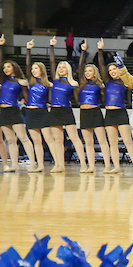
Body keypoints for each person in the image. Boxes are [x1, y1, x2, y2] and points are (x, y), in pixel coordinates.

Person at [46, 37, 88, 174]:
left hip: (66, 111)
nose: (61, 69)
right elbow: (52, 62)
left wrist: (83, 52)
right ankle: (59, 165)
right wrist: (51, 47)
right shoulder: (55, 80)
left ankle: (83, 164)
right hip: (54, 111)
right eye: (60, 67)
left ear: (68, 70)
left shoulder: (73, 83)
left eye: (64, 67)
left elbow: (81, 69)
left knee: (75, 138)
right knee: (57, 140)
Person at [0, 35, 37, 172]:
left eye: (9, 67)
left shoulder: (20, 81)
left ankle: (32, 163)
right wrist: (0, 46)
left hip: (14, 110)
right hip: (3, 111)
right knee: (10, 140)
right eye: (4, 67)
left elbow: (28, 67)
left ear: (14, 68)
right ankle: (13, 165)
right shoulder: (3, 80)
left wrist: (28, 51)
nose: (6, 69)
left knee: (23, 137)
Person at [75, 41, 111, 174]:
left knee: (102, 141)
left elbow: (102, 67)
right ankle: (91, 166)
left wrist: (100, 50)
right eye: (86, 71)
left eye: (90, 70)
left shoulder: (99, 84)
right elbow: (79, 67)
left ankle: (107, 165)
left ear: (94, 72)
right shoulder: (82, 83)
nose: (87, 72)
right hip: (84, 113)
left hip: (95, 112)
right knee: (88, 142)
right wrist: (83, 52)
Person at [99, 42, 133, 175]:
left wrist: (122, 66)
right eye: (110, 71)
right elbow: (101, 65)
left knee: (128, 141)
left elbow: (130, 79)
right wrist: (100, 50)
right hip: (109, 114)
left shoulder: (125, 82)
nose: (112, 72)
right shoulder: (107, 83)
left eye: (114, 69)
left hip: (121, 113)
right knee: (112, 143)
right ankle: (116, 167)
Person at [24, 40, 53, 173]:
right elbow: (27, 64)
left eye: (36, 68)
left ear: (41, 70)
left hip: (42, 112)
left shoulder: (48, 84)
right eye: (32, 69)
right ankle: (38, 165)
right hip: (30, 113)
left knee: (48, 139)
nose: (33, 70)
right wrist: (28, 50)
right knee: (36, 141)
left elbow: (51, 99)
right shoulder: (30, 82)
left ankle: (58, 163)